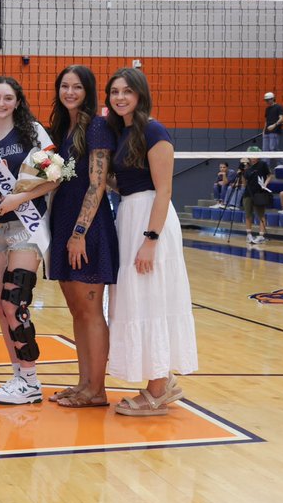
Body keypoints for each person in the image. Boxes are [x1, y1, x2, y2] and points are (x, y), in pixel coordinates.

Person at [105, 67, 197, 416]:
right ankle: (162, 381)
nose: (120, 97)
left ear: (140, 94)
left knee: (153, 298)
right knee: (138, 299)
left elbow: (164, 190)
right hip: (129, 215)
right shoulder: (122, 132)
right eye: (114, 92)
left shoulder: (154, 130)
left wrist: (150, 239)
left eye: (127, 91)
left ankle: (158, 390)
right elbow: (126, 182)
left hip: (150, 222)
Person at [0, 76, 58, 405]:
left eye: (8, 98)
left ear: (18, 102)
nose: (2, 103)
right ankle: (18, 377)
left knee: (15, 304)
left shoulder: (33, 132)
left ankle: (31, 378)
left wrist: (16, 200)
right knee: (1, 308)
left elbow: (55, 179)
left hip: (27, 226)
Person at [46, 65, 117, 408]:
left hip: (87, 228)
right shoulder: (62, 128)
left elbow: (97, 182)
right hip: (62, 223)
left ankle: (98, 390)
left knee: (90, 312)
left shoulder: (97, 127)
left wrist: (79, 233)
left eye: (77, 87)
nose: (70, 92)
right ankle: (84, 384)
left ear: (88, 90)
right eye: (64, 86)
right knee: (77, 311)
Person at [241, 147, 272, 244]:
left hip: (259, 193)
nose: (253, 157)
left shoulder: (262, 164)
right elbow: (244, 183)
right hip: (248, 193)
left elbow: (270, 175)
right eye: (251, 155)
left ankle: (261, 235)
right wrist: (243, 170)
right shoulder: (247, 167)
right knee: (248, 214)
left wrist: (265, 184)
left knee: (261, 215)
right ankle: (249, 235)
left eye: (255, 155)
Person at [262, 91, 283, 162]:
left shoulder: (279, 107)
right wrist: (263, 131)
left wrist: (274, 125)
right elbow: (267, 120)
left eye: (268, 100)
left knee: (273, 149)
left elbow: (281, 118)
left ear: (272, 99)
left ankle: (282, 163)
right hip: (267, 132)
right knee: (265, 150)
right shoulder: (267, 109)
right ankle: (266, 168)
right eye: (266, 100)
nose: (267, 101)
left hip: (275, 131)